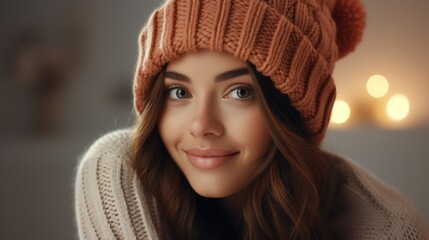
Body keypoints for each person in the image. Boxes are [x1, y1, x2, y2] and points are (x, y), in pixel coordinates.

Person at [74, 0, 429, 239]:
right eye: (179, 93)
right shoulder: (119, 167)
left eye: (240, 92)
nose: (201, 125)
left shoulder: (387, 227)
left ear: (292, 111)